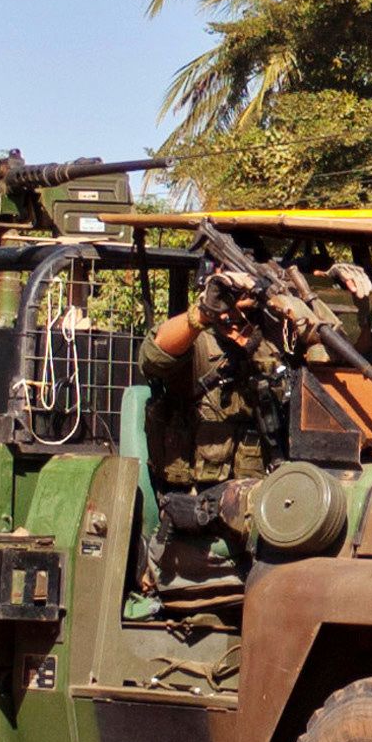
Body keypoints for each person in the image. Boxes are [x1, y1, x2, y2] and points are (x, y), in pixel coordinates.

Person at [128, 264, 288, 615]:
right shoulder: (196, 341)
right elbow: (153, 357)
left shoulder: (272, 344)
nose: (239, 305)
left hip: (262, 510)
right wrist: (204, 312)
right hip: (196, 518)